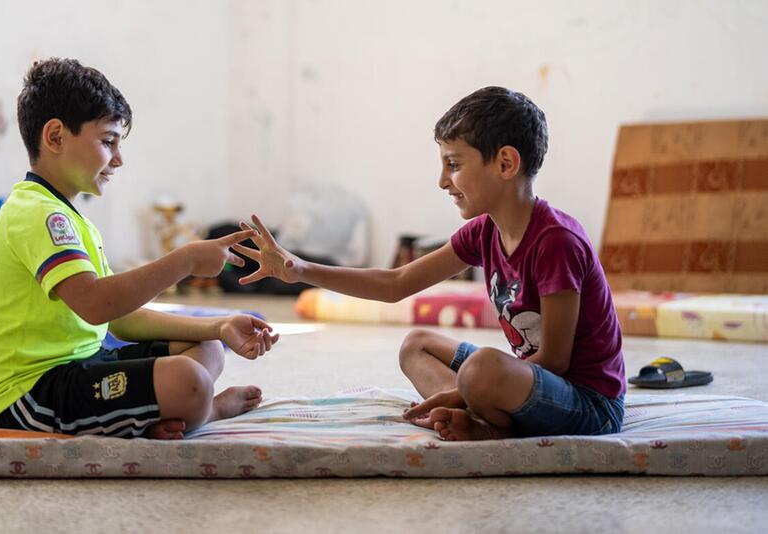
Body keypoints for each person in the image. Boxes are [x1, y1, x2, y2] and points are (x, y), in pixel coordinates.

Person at [232, 86, 625, 441]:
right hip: (528, 385)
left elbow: (556, 360)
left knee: (484, 368)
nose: (442, 181)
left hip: (588, 405)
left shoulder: (556, 241)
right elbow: (396, 283)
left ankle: (484, 424)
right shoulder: (484, 231)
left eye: (453, 164)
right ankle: (476, 412)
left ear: (506, 164)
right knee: (416, 345)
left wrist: (463, 388)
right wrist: (299, 270)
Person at [0, 58, 278, 439]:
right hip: (27, 395)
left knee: (208, 348)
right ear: (55, 137)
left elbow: (119, 318)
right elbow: (98, 305)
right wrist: (185, 260)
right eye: (107, 141)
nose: (118, 158)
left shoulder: (69, 218)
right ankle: (206, 410)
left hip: (79, 364)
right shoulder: (38, 214)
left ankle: (155, 416)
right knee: (189, 381)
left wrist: (219, 325)